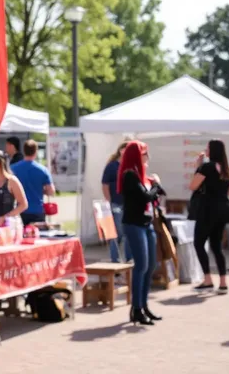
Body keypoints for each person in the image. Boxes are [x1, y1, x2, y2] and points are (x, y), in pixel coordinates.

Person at [118, 140, 164, 326]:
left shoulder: (141, 175)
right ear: (137, 155)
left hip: (146, 224)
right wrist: (156, 186)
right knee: (142, 266)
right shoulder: (130, 175)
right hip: (134, 224)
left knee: (150, 265)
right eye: (145, 153)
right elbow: (146, 196)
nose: (148, 157)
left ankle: (143, 305)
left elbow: (152, 197)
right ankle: (136, 308)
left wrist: (155, 188)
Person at [189, 139, 229, 294]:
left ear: (212, 151)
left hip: (207, 209)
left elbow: (193, 186)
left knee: (198, 242)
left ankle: (207, 279)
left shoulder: (207, 167)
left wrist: (198, 166)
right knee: (216, 246)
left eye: (207, 148)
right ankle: (223, 282)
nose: (205, 151)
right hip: (223, 209)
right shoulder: (228, 169)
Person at [11, 139, 55, 225]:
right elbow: (51, 191)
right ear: (36, 151)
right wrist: (41, 190)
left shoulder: (12, 169)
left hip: (18, 210)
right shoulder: (43, 170)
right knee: (37, 236)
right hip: (37, 210)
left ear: (24, 151)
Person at [101, 141, 132, 263]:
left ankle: (129, 259)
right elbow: (105, 184)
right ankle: (115, 259)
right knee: (117, 232)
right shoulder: (112, 166)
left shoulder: (130, 165)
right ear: (121, 150)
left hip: (128, 204)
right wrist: (109, 201)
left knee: (128, 232)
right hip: (116, 203)